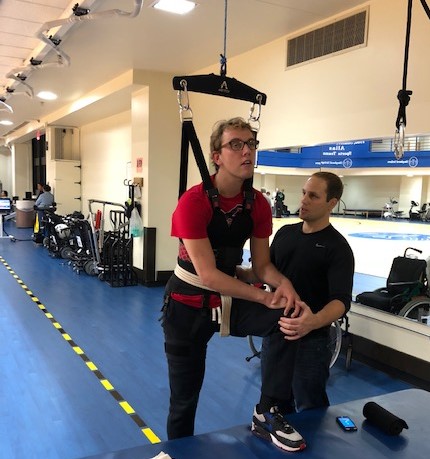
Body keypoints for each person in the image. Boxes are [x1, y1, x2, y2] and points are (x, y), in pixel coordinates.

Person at [161, 117, 306, 452]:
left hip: (229, 298)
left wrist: (283, 286)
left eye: (251, 144)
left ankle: (268, 411)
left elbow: (263, 266)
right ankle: (179, 452)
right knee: (184, 400)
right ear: (217, 156)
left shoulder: (258, 204)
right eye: (236, 145)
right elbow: (208, 276)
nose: (246, 151)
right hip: (188, 305)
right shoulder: (193, 202)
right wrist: (263, 297)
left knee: (287, 318)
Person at [260, 171, 355, 414]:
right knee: (274, 405)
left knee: (311, 408)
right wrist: (233, 272)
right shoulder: (285, 233)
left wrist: (312, 322)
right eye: (304, 193)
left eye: (313, 196)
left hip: (311, 343)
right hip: (275, 334)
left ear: (331, 203)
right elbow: (265, 271)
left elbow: (341, 301)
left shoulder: (338, 248)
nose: (304, 200)